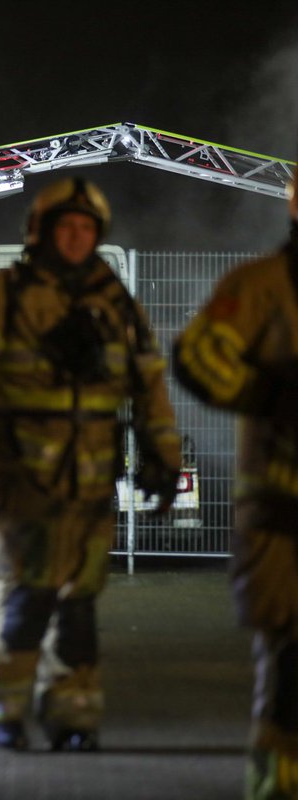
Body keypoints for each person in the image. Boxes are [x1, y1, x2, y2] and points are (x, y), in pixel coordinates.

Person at [0, 177, 181, 752]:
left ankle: (73, 716)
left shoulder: (115, 300)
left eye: (85, 229)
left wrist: (163, 458)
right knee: (29, 592)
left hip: (94, 473)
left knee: (79, 602)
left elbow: (149, 384)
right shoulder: (4, 293)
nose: (75, 238)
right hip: (26, 471)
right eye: (65, 227)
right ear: (41, 232)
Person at [173, 177, 298, 798]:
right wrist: (269, 393)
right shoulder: (260, 286)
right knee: (290, 661)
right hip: (280, 509)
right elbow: (196, 358)